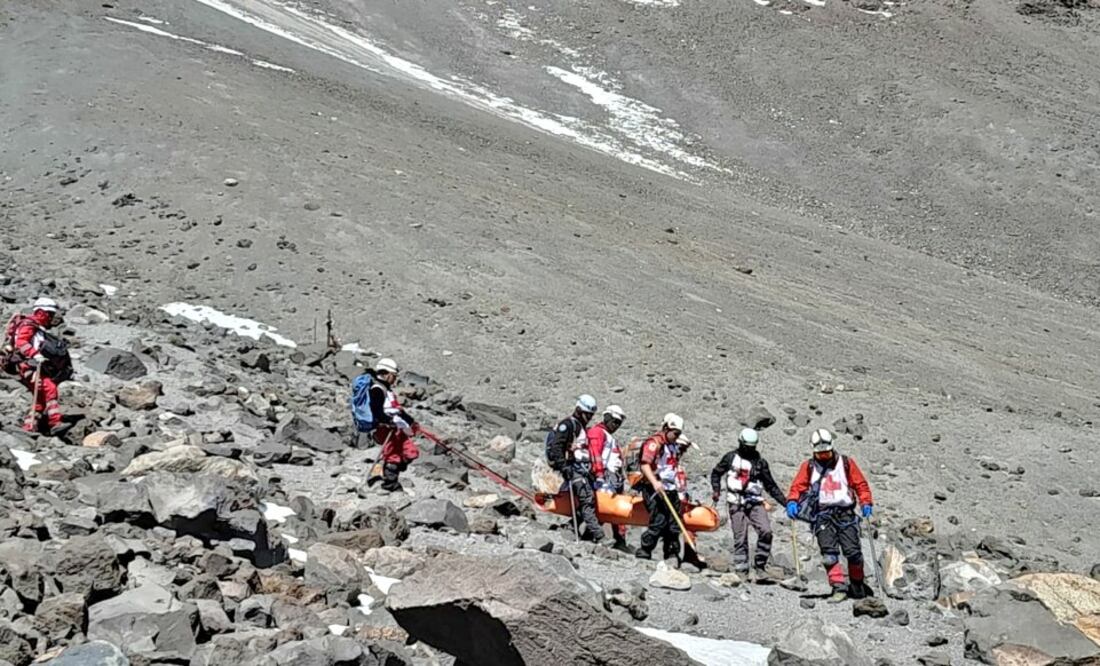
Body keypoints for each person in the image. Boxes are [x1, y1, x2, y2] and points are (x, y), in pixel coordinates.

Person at [786, 429, 874, 602]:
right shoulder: (809, 466)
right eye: (819, 453)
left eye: (826, 452)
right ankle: (838, 587)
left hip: (845, 513)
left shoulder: (846, 463)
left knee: (853, 552)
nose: (823, 455)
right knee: (829, 554)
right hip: (822, 515)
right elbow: (798, 486)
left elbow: (860, 484)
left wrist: (866, 502)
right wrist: (792, 501)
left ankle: (857, 584)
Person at [709, 428, 787, 577]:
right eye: (747, 446)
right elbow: (716, 473)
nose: (749, 449)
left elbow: (770, 486)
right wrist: (716, 490)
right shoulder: (730, 458)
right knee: (740, 536)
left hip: (755, 502)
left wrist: (786, 503)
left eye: (752, 447)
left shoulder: (760, 463)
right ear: (741, 443)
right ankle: (741, 571)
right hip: (735, 502)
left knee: (766, 531)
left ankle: (760, 566)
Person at [6, 298, 69, 435]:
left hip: (30, 366)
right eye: (49, 314)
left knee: (40, 398)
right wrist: (35, 354)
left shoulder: (34, 326)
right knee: (50, 388)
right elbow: (21, 342)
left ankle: (29, 427)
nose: (51, 318)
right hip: (29, 366)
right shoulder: (29, 325)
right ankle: (55, 422)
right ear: (40, 312)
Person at [546, 395, 603, 543]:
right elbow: (557, 447)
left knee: (589, 499)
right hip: (572, 468)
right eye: (587, 414)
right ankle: (599, 536)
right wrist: (564, 466)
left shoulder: (579, 426)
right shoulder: (568, 425)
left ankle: (572, 526)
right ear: (579, 410)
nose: (589, 418)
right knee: (586, 499)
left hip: (581, 468)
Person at [634, 413, 687, 561]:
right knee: (659, 520)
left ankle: (671, 553)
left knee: (674, 524)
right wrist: (655, 482)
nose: (677, 437)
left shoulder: (673, 446)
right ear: (666, 428)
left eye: (679, 434)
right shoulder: (654, 443)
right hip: (654, 487)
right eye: (675, 433)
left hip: (670, 488)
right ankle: (645, 550)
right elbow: (645, 465)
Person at [365, 358, 419, 492]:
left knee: (411, 452)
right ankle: (389, 484)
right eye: (394, 376)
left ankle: (386, 472)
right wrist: (387, 421)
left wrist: (411, 422)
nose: (395, 379)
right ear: (386, 373)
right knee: (393, 456)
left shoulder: (386, 389)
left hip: (396, 427)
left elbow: (396, 410)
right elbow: (376, 410)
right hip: (386, 429)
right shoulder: (377, 389)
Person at [588, 405, 628, 551]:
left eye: (619, 423)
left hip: (612, 479)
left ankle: (618, 539)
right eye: (615, 421)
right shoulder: (597, 432)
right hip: (602, 479)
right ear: (607, 417)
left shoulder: (608, 436)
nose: (616, 425)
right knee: (601, 508)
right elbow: (595, 454)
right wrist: (598, 474)